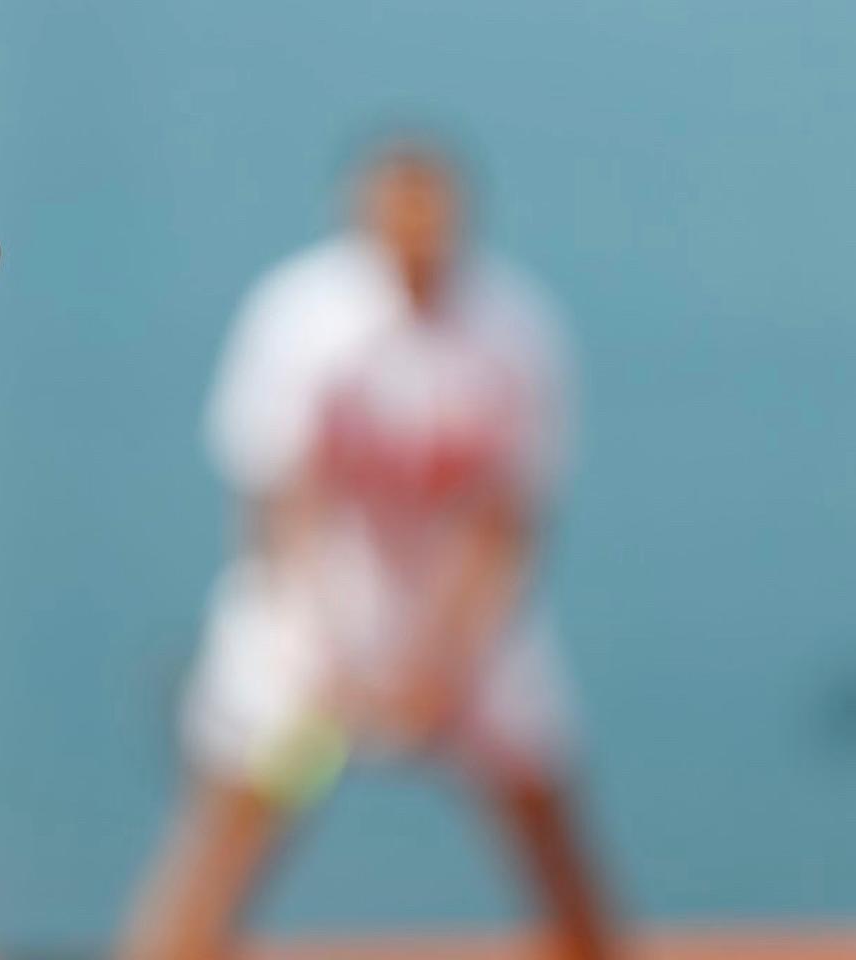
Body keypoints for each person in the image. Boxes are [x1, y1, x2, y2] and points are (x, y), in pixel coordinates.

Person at [118, 139, 613, 959]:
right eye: (396, 207)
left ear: (460, 217)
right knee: (244, 804)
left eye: (432, 208)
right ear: (363, 215)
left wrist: (446, 654)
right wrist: (327, 645)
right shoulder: (303, 314)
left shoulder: (516, 327)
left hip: (467, 614)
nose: (415, 227)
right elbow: (280, 501)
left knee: (541, 808)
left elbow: (509, 517)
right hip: (309, 606)